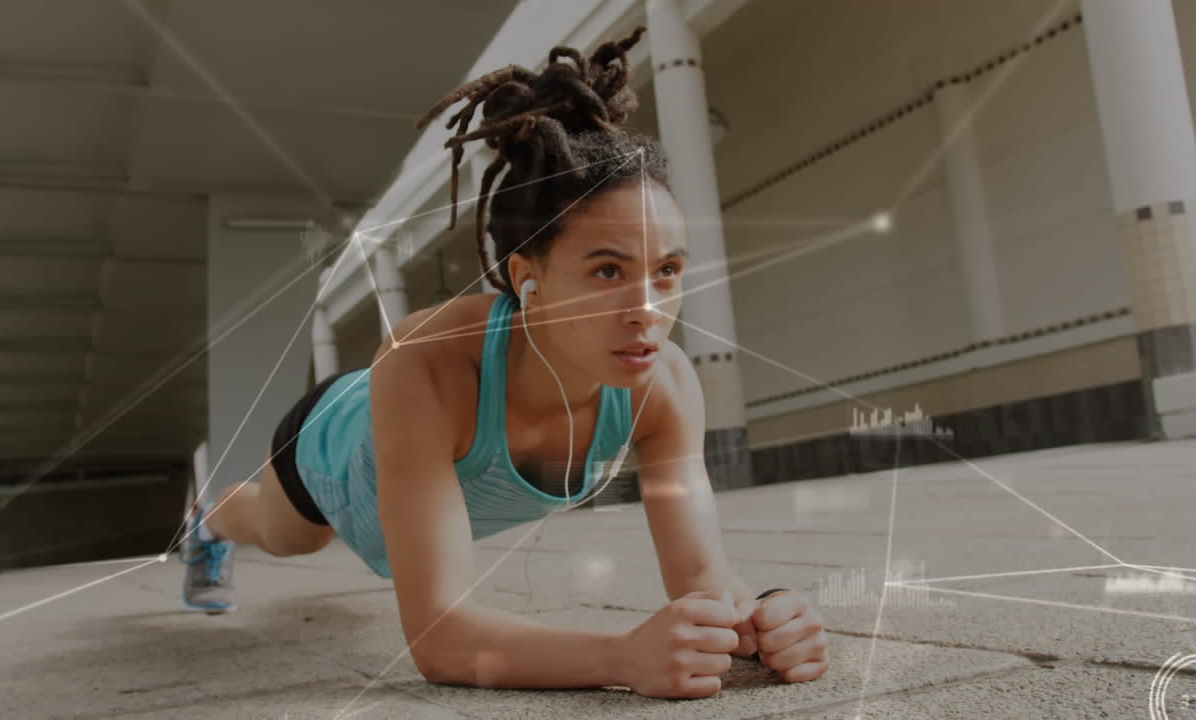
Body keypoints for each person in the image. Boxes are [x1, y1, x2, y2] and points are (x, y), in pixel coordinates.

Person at [179, 25, 828, 699]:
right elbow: (440, 639)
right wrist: (622, 657)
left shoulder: (663, 388)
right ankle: (208, 518)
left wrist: (765, 619)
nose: (647, 309)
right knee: (285, 536)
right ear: (527, 277)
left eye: (666, 271)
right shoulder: (427, 361)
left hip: (408, 441)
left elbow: (702, 577)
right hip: (331, 448)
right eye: (608, 270)